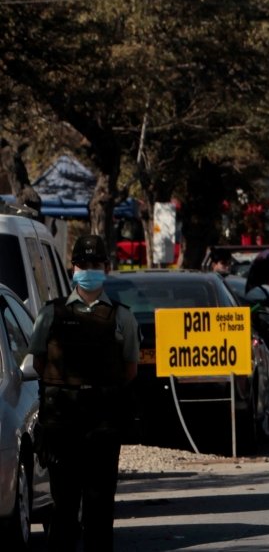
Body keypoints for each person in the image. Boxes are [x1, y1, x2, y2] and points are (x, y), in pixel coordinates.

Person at [29, 235, 141, 551]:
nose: (89, 270)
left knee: (100, 507)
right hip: (62, 424)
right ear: (73, 267)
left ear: (106, 267)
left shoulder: (122, 317)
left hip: (102, 424)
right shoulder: (50, 314)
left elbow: (130, 370)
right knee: (63, 506)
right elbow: (38, 362)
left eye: (96, 264)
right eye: (83, 264)